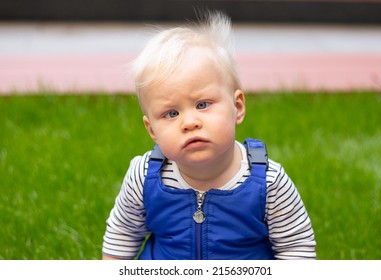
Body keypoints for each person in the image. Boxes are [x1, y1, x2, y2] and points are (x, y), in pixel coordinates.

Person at [102, 11, 316, 260]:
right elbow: (122, 236)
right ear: (152, 130)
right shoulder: (144, 176)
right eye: (171, 113)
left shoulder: (269, 182)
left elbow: (296, 249)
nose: (190, 122)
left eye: (203, 105)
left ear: (237, 107)